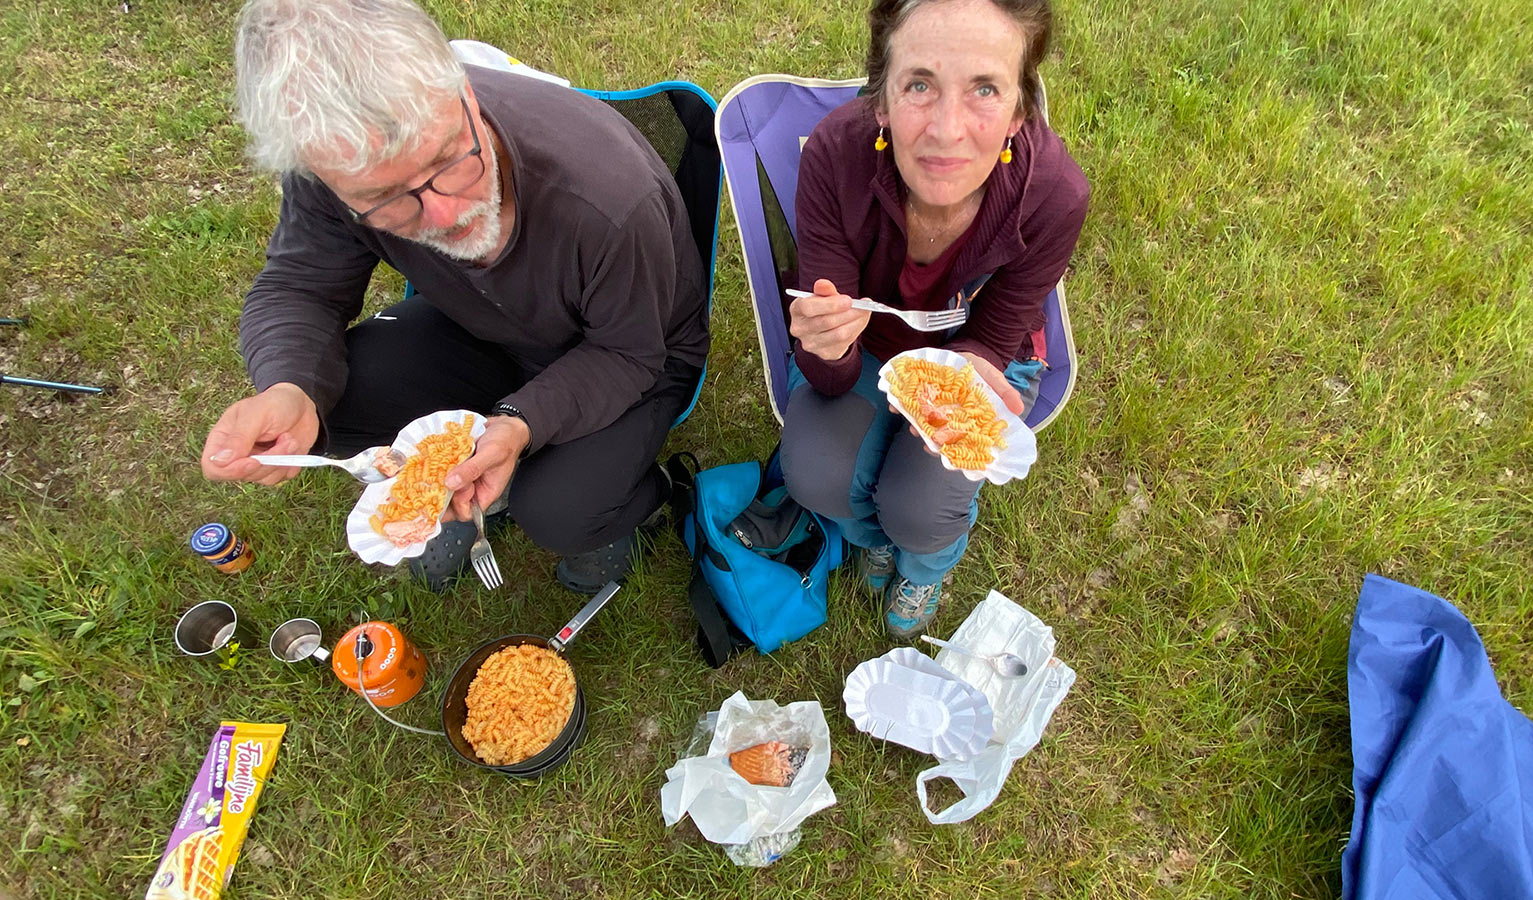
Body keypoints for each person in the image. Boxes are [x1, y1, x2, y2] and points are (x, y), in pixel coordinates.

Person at [199, 0, 708, 593]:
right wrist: (290, 385)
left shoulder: (609, 198)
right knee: (330, 399)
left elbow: (629, 352)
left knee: (562, 511)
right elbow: (301, 285)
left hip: (632, 351)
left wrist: (519, 422)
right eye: (387, 197)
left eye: (449, 160)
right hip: (480, 323)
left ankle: (639, 502)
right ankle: (455, 479)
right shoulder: (331, 164)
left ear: (464, 93)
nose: (446, 215)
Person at [781, 0, 1090, 638]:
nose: (947, 131)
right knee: (814, 475)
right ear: (883, 101)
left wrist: (968, 377)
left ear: (1018, 112)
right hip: (870, 350)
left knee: (920, 508)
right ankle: (873, 539)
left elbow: (997, 332)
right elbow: (831, 371)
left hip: (983, 353)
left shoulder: (1056, 195)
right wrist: (829, 347)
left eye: (984, 89)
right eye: (920, 84)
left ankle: (924, 565)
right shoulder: (836, 158)